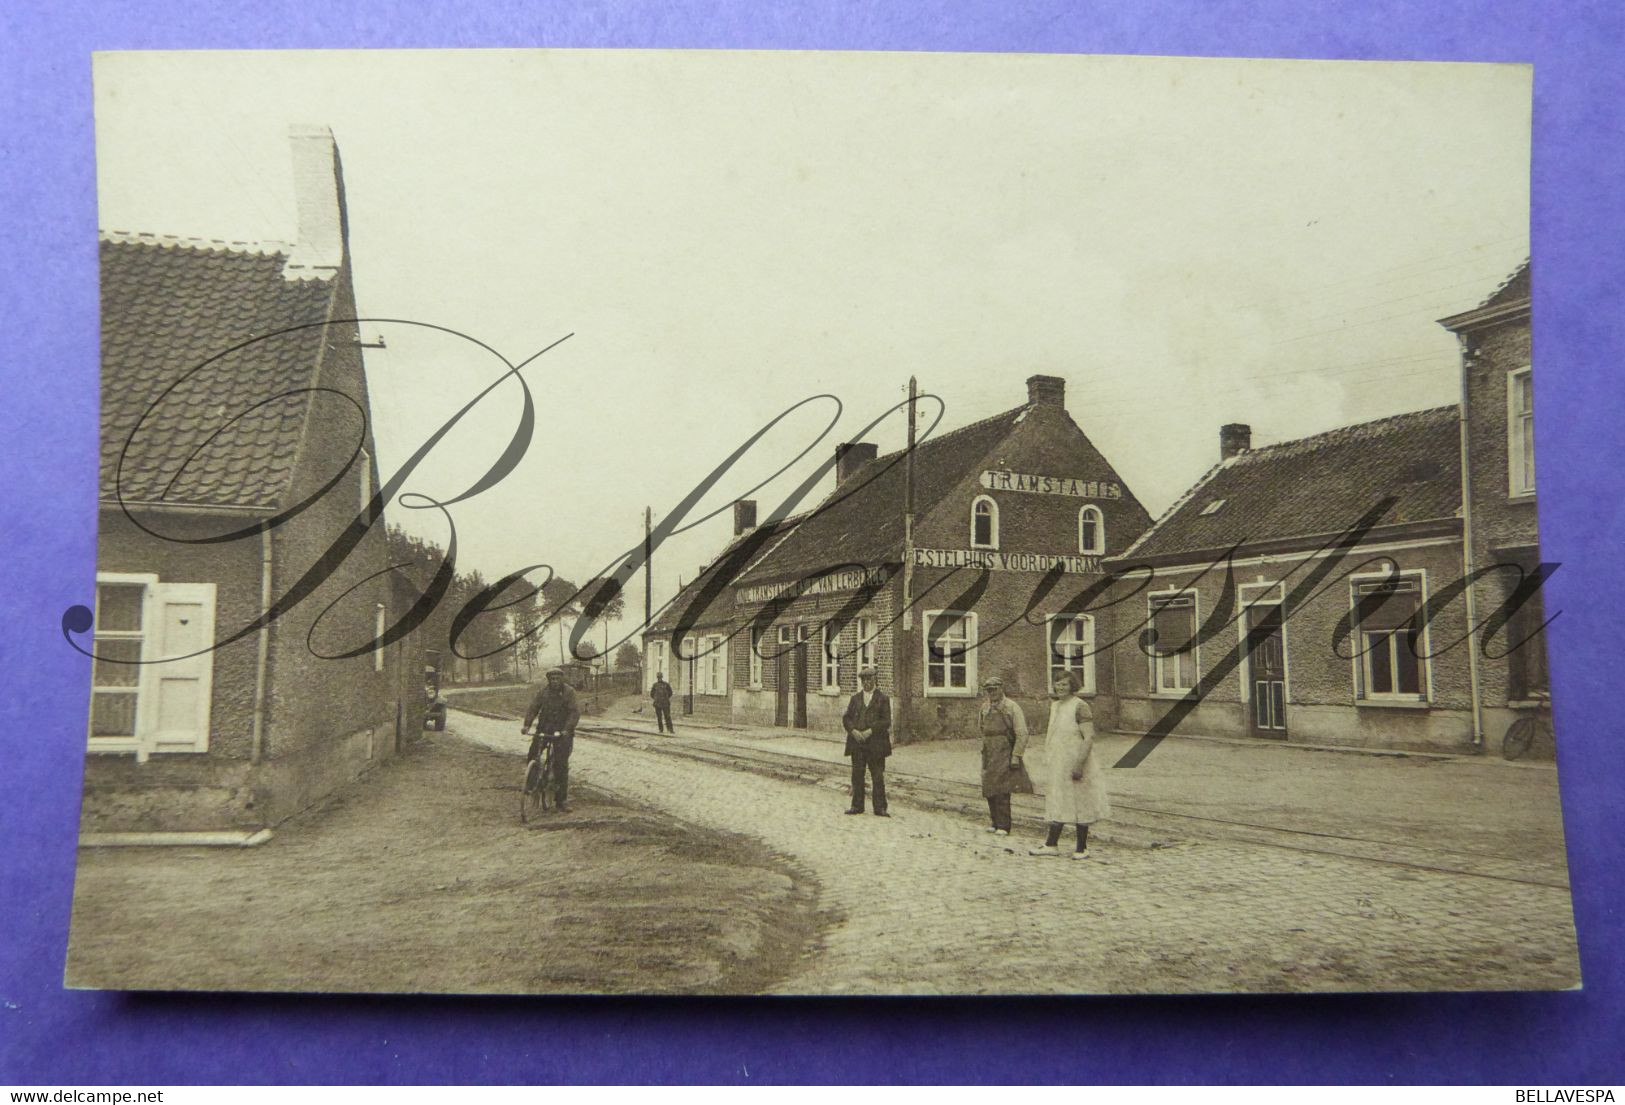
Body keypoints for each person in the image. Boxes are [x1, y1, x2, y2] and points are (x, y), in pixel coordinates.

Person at [1029, 670, 1110, 859]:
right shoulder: (1055, 706)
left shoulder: (1080, 706)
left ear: (1072, 686)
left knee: (1081, 801)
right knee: (1058, 800)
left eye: (1064, 684)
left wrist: (1079, 765)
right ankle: (1051, 844)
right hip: (1059, 763)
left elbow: (1088, 737)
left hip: (1076, 761)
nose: (1060, 688)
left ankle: (1082, 848)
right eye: (1057, 684)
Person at [523, 668, 581, 812]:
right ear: (548, 680)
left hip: (563, 732)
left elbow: (574, 713)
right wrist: (527, 725)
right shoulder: (543, 692)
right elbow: (533, 708)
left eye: (557, 678)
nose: (554, 681)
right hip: (544, 729)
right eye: (552, 679)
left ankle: (561, 801)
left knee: (561, 765)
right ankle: (531, 786)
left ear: (562, 679)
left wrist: (567, 729)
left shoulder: (569, 692)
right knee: (532, 754)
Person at [977, 676, 1030, 835]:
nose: (992, 692)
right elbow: (981, 727)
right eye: (989, 690)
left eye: (994, 689)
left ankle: (1004, 825)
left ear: (1002, 688)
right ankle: (994, 822)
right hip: (989, 749)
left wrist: (1016, 755)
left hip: (1004, 749)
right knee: (989, 785)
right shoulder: (985, 708)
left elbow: (1022, 733)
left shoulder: (1011, 707)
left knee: (1002, 788)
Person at [842, 667, 892, 817]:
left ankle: (880, 808)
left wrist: (871, 731)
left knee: (877, 775)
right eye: (864, 680)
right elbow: (846, 718)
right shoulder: (855, 699)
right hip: (857, 743)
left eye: (869, 679)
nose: (866, 683)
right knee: (857, 775)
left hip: (875, 744)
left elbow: (886, 721)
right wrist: (853, 731)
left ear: (874, 680)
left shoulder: (882, 699)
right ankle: (857, 806)